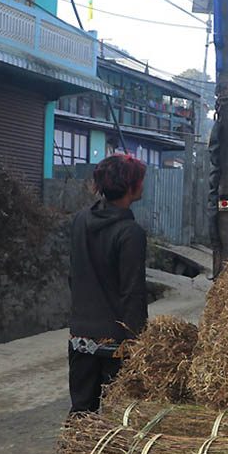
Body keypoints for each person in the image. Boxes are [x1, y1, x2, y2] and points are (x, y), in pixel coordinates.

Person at [68, 154, 149, 414]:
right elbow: (132, 292)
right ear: (131, 187)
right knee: (117, 417)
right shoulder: (130, 233)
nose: (143, 185)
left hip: (79, 336)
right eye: (140, 181)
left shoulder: (80, 220)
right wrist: (140, 343)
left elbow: (74, 275)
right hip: (115, 343)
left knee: (81, 412)